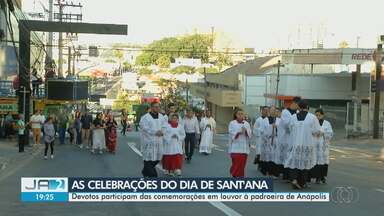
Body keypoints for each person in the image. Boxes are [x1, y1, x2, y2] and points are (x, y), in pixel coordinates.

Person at [284, 100, 321, 189]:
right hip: (307, 144)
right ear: (307, 107)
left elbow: (289, 129)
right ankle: (302, 182)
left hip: (296, 144)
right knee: (305, 164)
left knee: (294, 163)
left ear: (299, 107)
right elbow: (317, 131)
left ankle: (294, 180)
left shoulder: (293, 117)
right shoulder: (312, 117)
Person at [139, 102, 166, 178]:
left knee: (157, 158)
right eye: (155, 107)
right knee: (148, 158)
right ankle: (153, 175)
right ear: (151, 107)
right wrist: (155, 132)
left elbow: (165, 126)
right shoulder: (145, 117)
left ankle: (145, 171)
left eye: (158, 107)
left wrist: (162, 131)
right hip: (149, 141)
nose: (157, 108)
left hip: (159, 141)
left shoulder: (161, 117)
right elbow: (144, 128)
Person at [279, 96, 301, 180]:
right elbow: (286, 125)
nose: (299, 107)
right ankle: (286, 175)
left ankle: (292, 175)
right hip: (286, 137)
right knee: (286, 156)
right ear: (294, 103)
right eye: (298, 105)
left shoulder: (298, 112)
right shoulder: (285, 112)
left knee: (293, 156)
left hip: (295, 138)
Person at [311, 108, 333, 184]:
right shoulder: (313, 123)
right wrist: (314, 133)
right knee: (317, 162)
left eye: (319, 115)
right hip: (316, 145)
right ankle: (317, 177)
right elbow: (310, 131)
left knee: (324, 162)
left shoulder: (327, 123)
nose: (317, 116)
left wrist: (323, 133)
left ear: (322, 115)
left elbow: (330, 133)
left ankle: (323, 177)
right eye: (316, 115)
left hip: (324, 146)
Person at [228, 109, 252, 177]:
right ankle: (234, 174)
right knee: (236, 163)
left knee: (242, 164)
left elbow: (250, 134)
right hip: (235, 147)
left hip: (244, 148)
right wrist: (239, 132)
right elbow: (231, 132)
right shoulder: (232, 123)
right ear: (236, 115)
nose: (240, 115)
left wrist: (246, 131)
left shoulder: (246, 123)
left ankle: (240, 176)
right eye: (239, 114)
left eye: (242, 114)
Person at [259, 106, 280, 177]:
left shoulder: (279, 120)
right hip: (268, 140)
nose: (273, 111)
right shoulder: (265, 120)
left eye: (275, 110)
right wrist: (271, 127)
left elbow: (282, 131)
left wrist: (277, 127)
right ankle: (267, 171)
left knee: (274, 157)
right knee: (268, 157)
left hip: (276, 140)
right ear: (269, 111)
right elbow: (262, 130)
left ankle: (274, 173)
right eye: (272, 110)